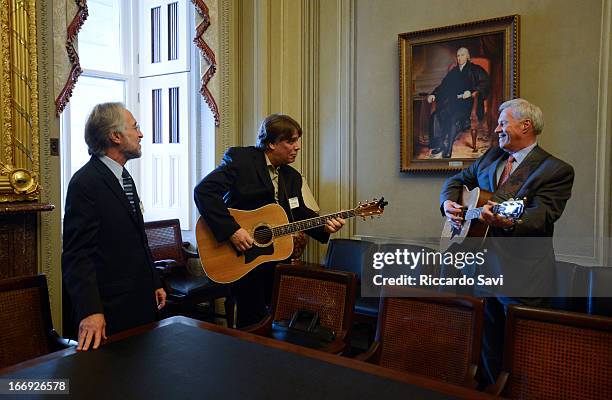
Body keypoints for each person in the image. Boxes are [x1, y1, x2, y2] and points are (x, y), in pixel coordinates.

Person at [439, 98, 574, 385]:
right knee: (486, 344)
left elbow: (543, 216)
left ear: (526, 125)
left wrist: (509, 220)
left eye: (503, 122)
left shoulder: (555, 169)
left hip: (522, 275)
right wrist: (449, 204)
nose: (497, 128)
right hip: (480, 269)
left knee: (521, 348)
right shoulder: (490, 157)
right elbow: (456, 181)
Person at [194, 114, 345, 328]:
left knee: (274, 320)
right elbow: (204, 192)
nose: (298, 147)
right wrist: (232, 231)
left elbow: (298, 212)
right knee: (250, 323)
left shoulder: (292, 177)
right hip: (241, 255)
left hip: (274, 259)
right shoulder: (242, 160)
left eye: (298, 140)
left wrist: (325, 225)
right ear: (271, 143)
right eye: (291, 141)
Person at [62, 102, 166, 351]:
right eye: (135, 127)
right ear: (115, 136)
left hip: (139, 301)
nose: (141, 134)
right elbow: (77, 255)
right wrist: (90, 311)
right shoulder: (85, 183)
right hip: (111, 309)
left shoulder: (124, 177)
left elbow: (138, 237)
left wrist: (153, 281)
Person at [427, 47, 490, 158]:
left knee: (453, 118)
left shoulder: (475, 69)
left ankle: (448, 147)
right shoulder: (453, 72)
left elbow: (485, 84)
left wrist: (471, 92)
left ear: (467, 56)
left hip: (469, 105)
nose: (459, 58)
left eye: (462, 55)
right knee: (436, 116)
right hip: (453, 103)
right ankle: (440, 145)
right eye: (458, 55)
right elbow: (443, 86)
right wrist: (434, 94)